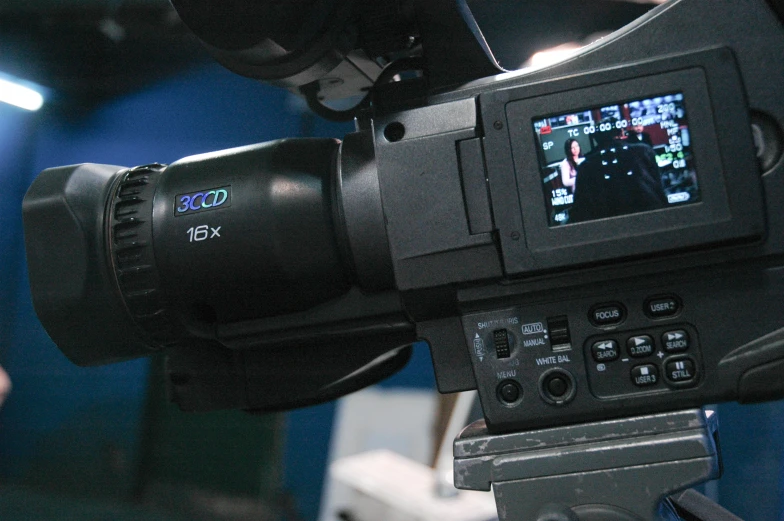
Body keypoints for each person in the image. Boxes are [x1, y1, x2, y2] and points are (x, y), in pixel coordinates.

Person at [570, 119, 667, 223]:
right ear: (621, 132)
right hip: (652, 218)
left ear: (595, 138)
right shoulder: (644, 151)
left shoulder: (585, 165)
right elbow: (660, 189)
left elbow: (579, 210)